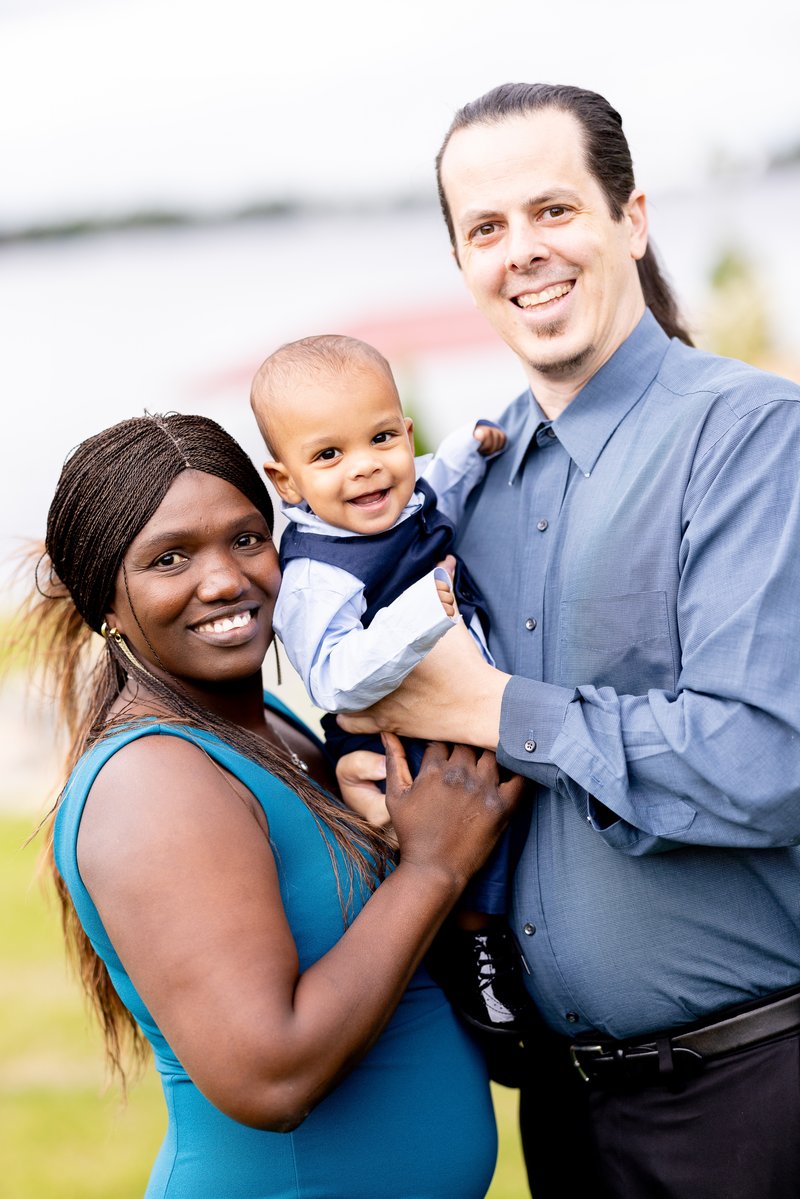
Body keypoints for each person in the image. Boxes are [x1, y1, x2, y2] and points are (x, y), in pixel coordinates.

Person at [337, 82, 800, 1198]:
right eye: (486, 229)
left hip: (750, 1099)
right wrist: (368, 773)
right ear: (460, 263)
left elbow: (764, 762)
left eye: (553, 211)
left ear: (629, 220)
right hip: (562, 1111)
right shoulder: (466, 489)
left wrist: (482, 707)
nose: (522, 252)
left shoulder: (748, 438)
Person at [29, 411, 522, 1199]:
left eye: (247, 538)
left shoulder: (275, 732)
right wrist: (432, 867)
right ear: (106, 605)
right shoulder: (154, 778)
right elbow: (271, 1076)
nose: (226, 578)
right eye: (169, 558)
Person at [249, 333, 529, 1042]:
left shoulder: (401, 491)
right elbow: (334, 674)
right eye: (329, 455)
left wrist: (474, 443)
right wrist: (417, 615)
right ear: (287, 482)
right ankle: (476, 951)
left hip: (462, 695)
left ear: (405, 433)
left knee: (518, 804)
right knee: (466, 822)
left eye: (381, 438)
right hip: (395, 727)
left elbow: (442, 480)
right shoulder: (317, 573)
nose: (366, 468)